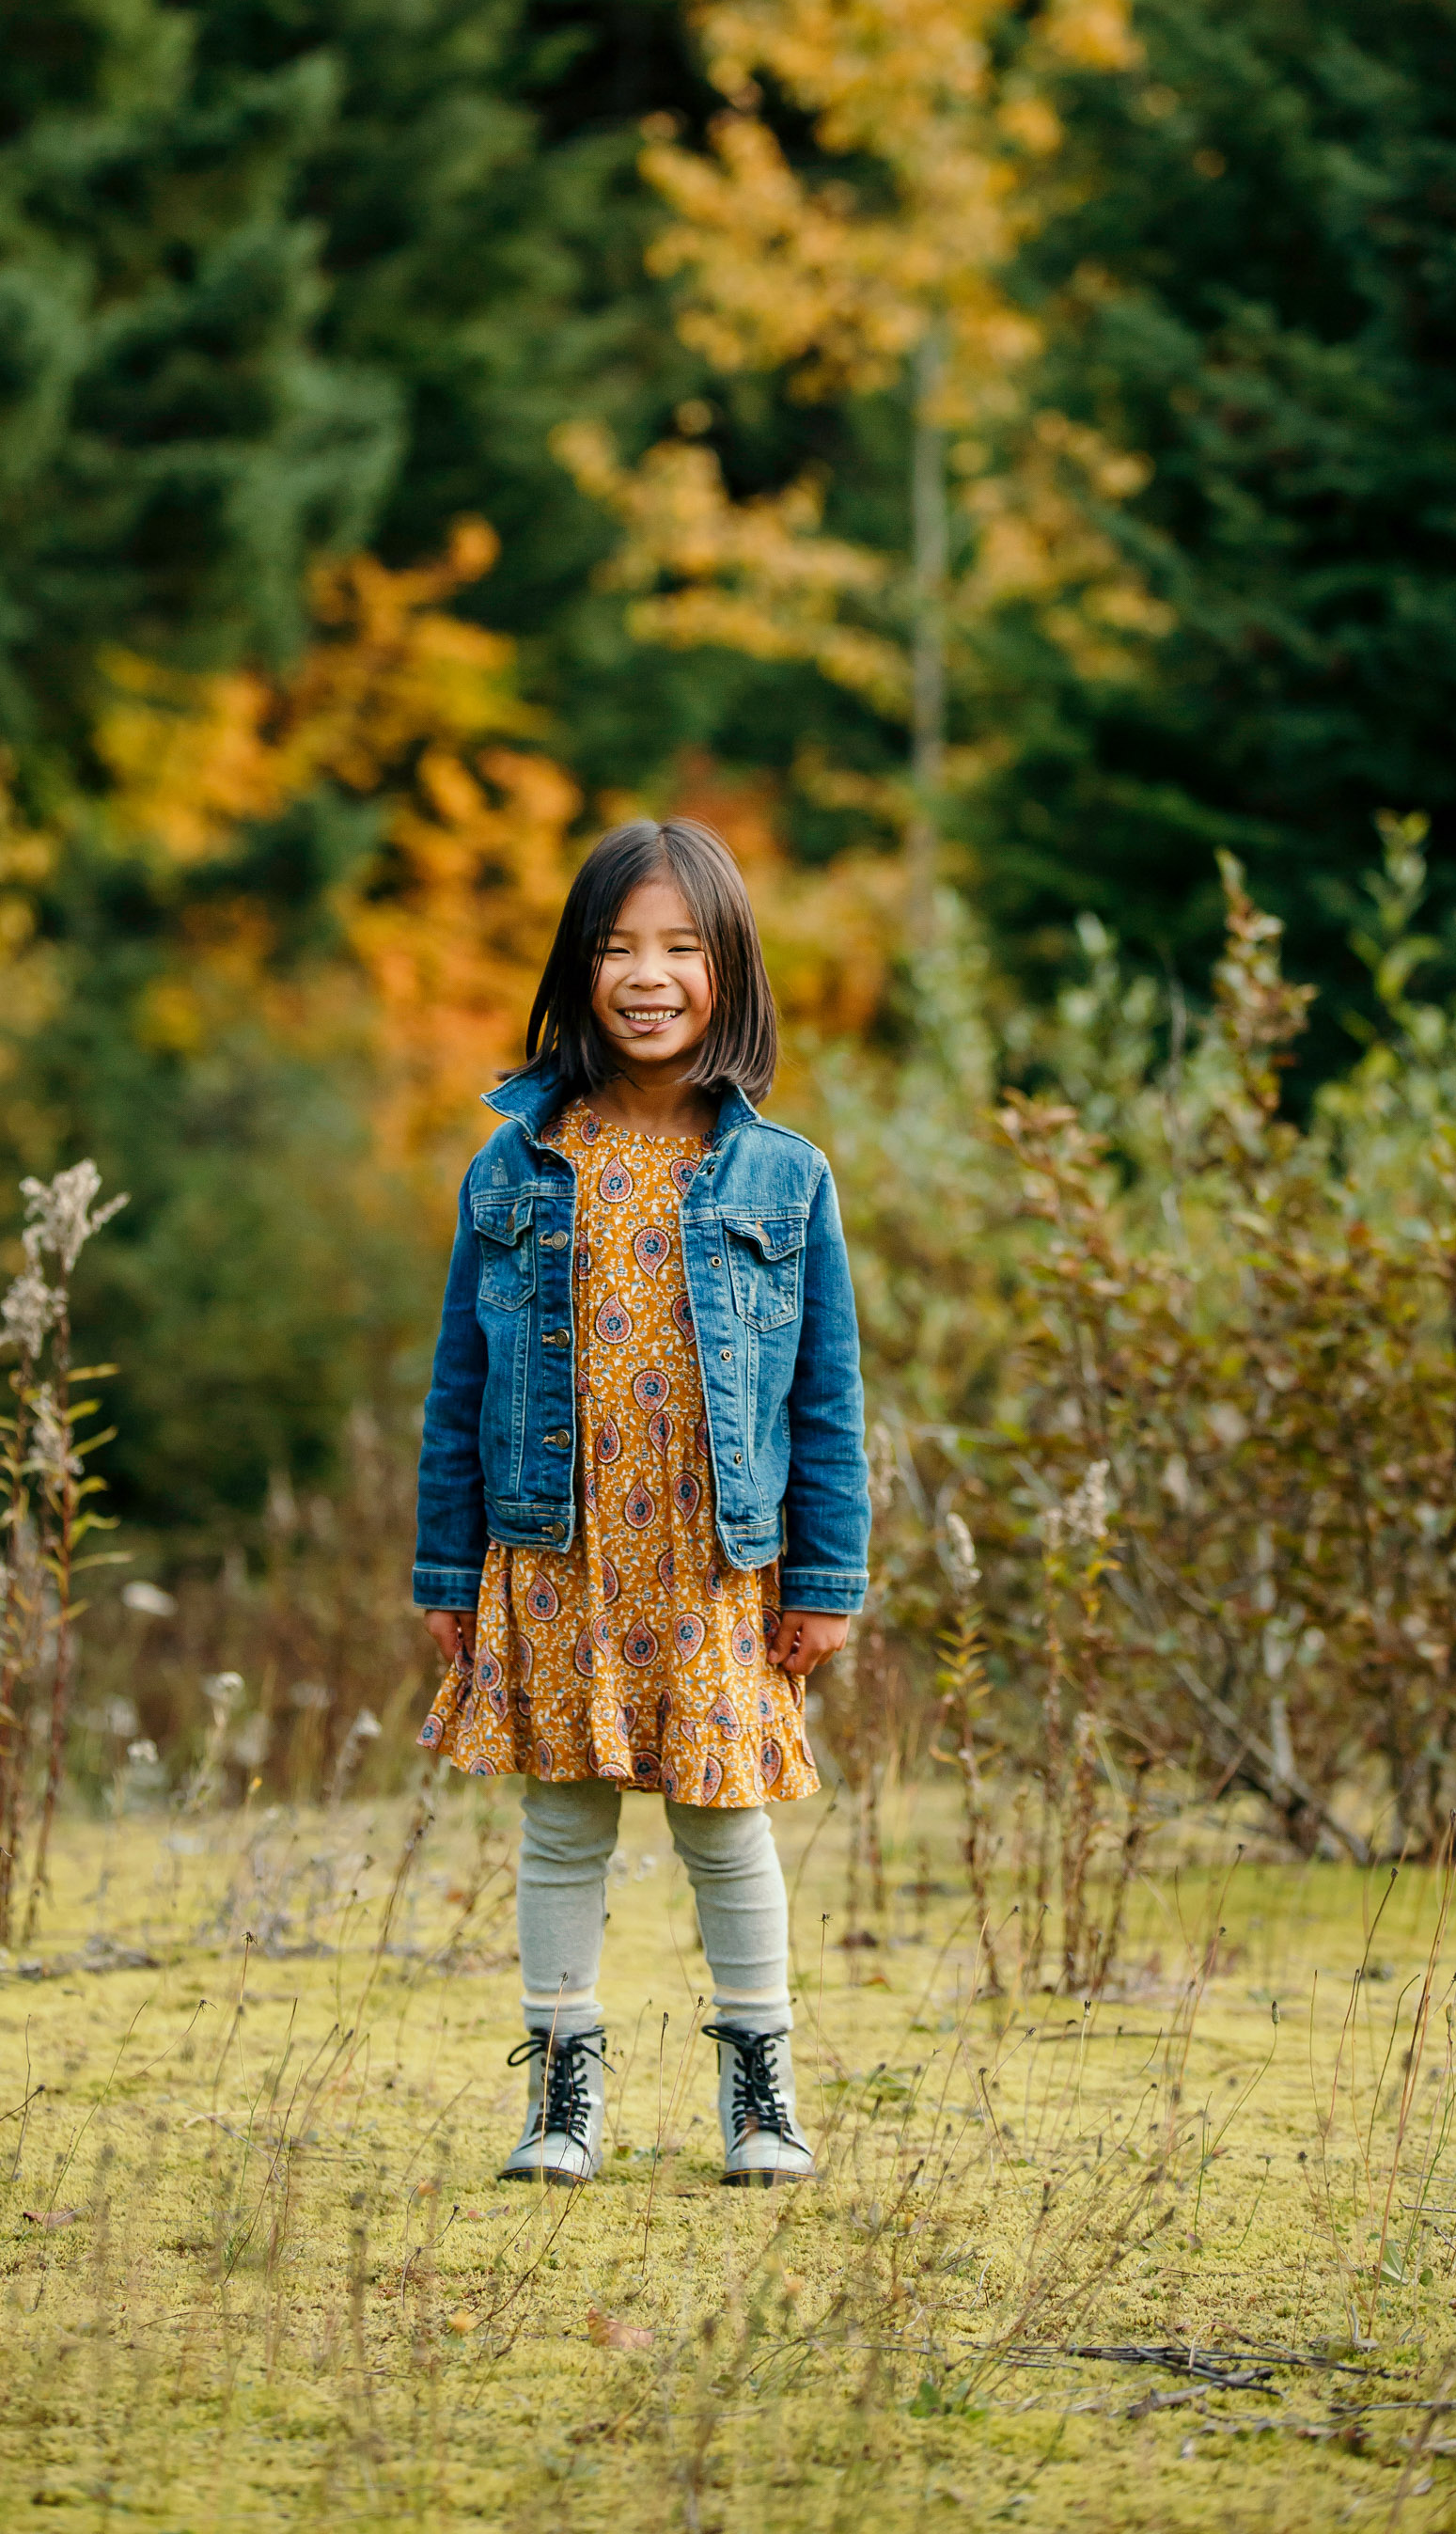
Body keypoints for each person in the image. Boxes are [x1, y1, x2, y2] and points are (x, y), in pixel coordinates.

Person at [414, 817, 871, 2187]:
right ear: (577, 969)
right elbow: (457, 1391)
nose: (648, 974)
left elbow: (828, 1400)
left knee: (725, 1829)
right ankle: (563, 2098)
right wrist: (448, 1576)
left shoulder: (785, 1176)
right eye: (618, 947)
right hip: (554, 1552)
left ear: (727, 969)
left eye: (680, 946)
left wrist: (824, 1580)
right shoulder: (512, 1168)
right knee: (562, 1829)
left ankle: (761, 2098)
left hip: (715, 1563)